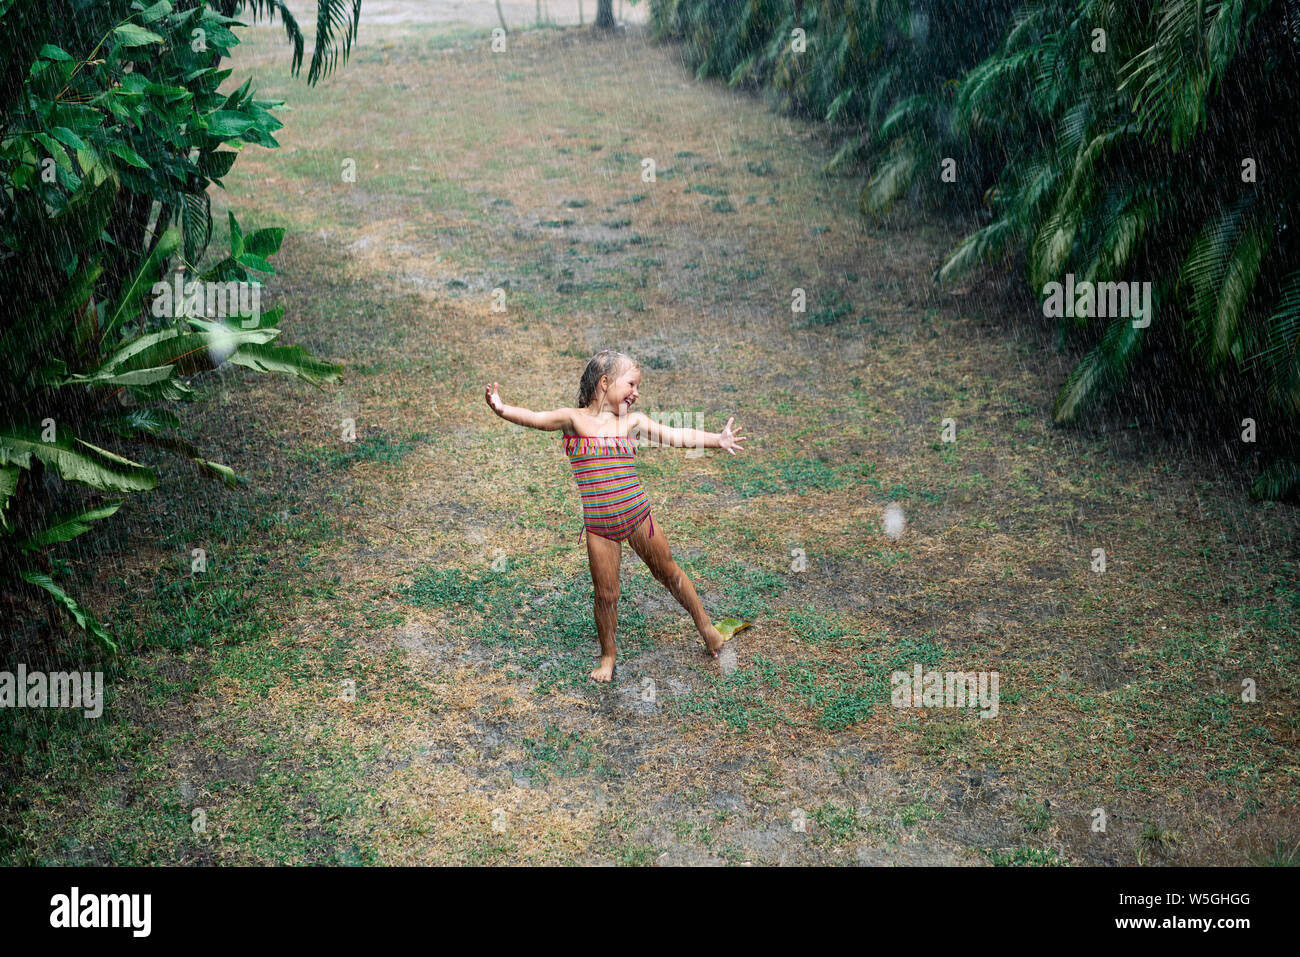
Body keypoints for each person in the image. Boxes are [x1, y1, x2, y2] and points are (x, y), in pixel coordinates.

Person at [485, 349, 748, 681]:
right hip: (600, 526)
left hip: (638, 517)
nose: (636, 393)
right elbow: (535, 417)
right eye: (632, 384)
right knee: (606, 594)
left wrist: (716, 440)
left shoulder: (631, 423)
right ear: (605, 383)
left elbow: (677, 436)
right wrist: (502, 408)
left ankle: (708, 628)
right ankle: (608, 656)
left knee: (669, 573)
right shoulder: (573, 419)